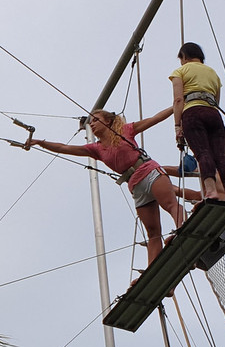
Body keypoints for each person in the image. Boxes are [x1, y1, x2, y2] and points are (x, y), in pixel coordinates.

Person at [26, 108, 187, 265]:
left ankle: (183, 228)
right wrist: (41, 143)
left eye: (96, 120)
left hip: (149, 171)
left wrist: (176, 106)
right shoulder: (95, 148)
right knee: (152, 232)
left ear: (108, 121)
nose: (92, 125)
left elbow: (155, 118)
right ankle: (153, 270)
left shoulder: (126, 130)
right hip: (135, 185)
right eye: (90, 123)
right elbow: (65, 148)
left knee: (170, 204)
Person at [170, 42, 225, 203]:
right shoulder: (213, 74)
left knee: (203, 153)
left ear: (184, 56)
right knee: (221, 156)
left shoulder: (180, 71)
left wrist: (177, 126)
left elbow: (178, 100)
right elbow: (216, 101)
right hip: (213, 114)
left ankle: (211, 191)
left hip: (193, 113)